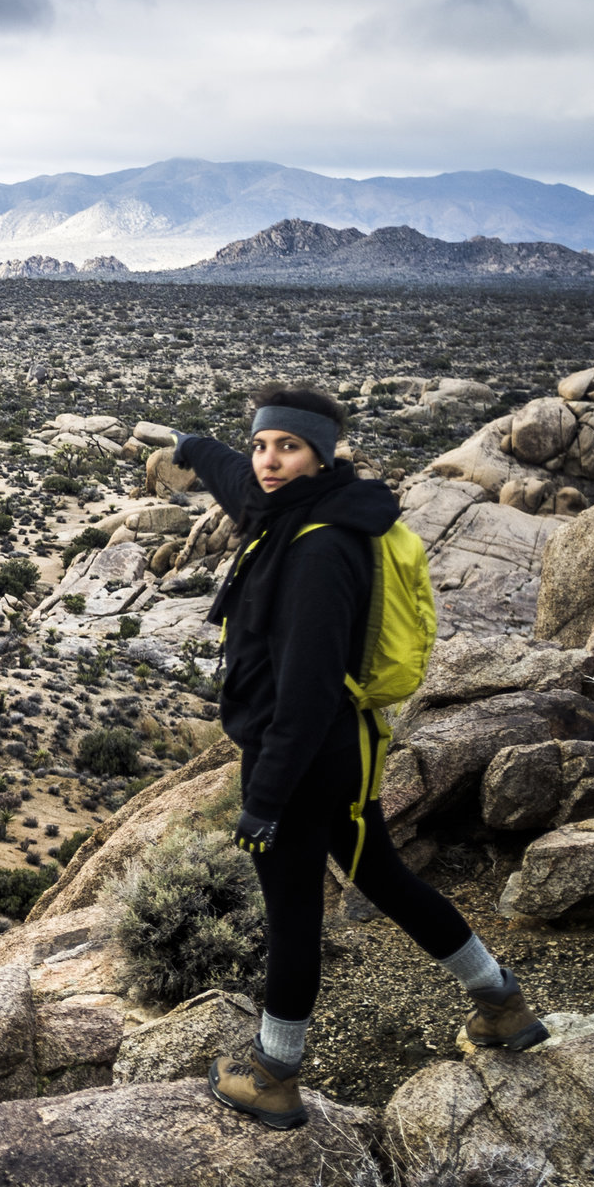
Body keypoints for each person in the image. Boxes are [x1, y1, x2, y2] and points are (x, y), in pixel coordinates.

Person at [172, 385, 546, 1131]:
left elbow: (304, 694)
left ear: (324, 452)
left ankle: (275, 1072)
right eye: (262, 444)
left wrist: (265, 799)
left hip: (306, 755)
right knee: (381, 873)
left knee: (292, 911)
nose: (269, 462)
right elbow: (241, 482)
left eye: (288, 446)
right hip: (348, 750)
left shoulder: (318, 550)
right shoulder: (304, 506)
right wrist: (192, 445)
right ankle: (499, 1000)